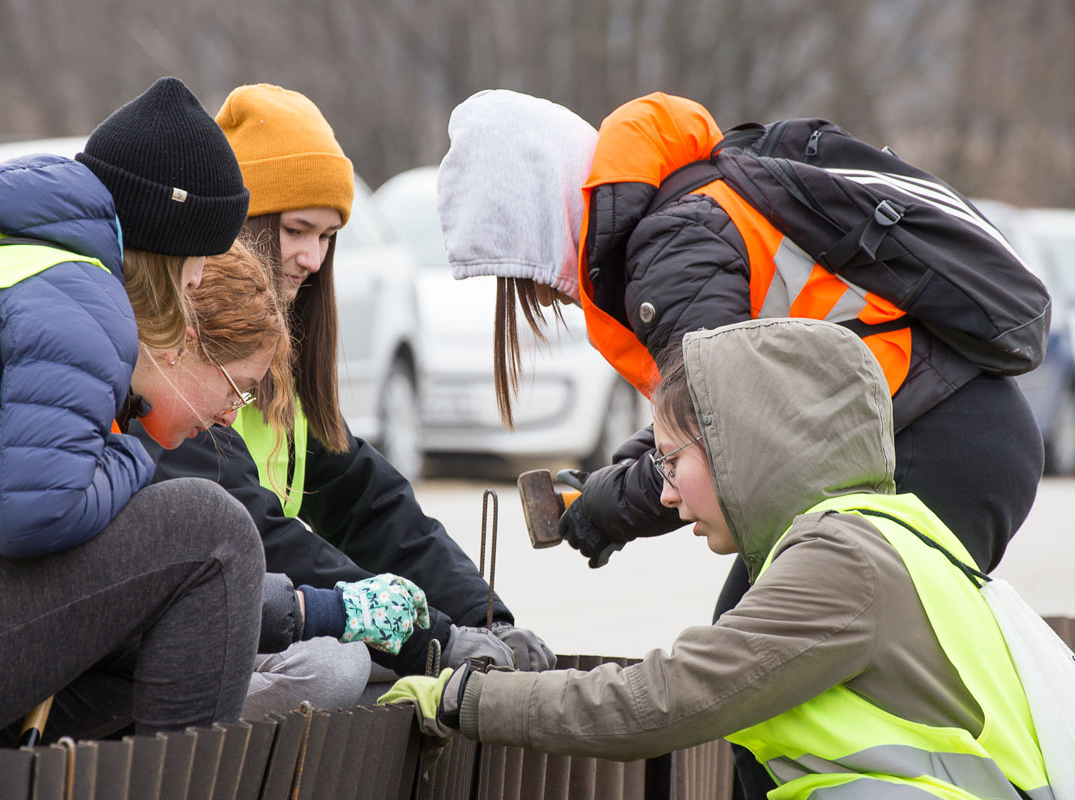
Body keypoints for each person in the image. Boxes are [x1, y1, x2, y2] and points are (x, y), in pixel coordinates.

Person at [437, 89, 1044, 796]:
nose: (552, 299)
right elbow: (713, 416)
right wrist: (616, 479)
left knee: (750, 670)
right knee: (804, 671)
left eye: (536, 280)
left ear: (543, 218)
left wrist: (604, 508)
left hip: (930, 441)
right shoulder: (693, 208)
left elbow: (723, 441)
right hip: (955, 429)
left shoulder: (673, 247)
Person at [381, 317, 1053, 799]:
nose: (666, 494)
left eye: (672, 462)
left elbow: (660, 701)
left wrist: (467, 697)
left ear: (746, 450)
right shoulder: (891, 532)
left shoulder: (840, 564)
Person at [130, 83, 555, 718]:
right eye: (297, 229)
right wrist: (430, 637)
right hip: (175, 628)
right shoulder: (176, 368)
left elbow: (375, 508)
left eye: (328, 237)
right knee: (343, 662)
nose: (312, 257)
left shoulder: (286, 386)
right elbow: (259, 534)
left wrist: (480, 618)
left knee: (381, 668)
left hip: (252, 616)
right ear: (237, 227)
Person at [0, 76, 265, 754]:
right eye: (202, 253)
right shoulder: (81, 293)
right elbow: (31, 515)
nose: (202, 278)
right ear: (168, 246)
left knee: (140, 629)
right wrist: (131, 452)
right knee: (212, 534)